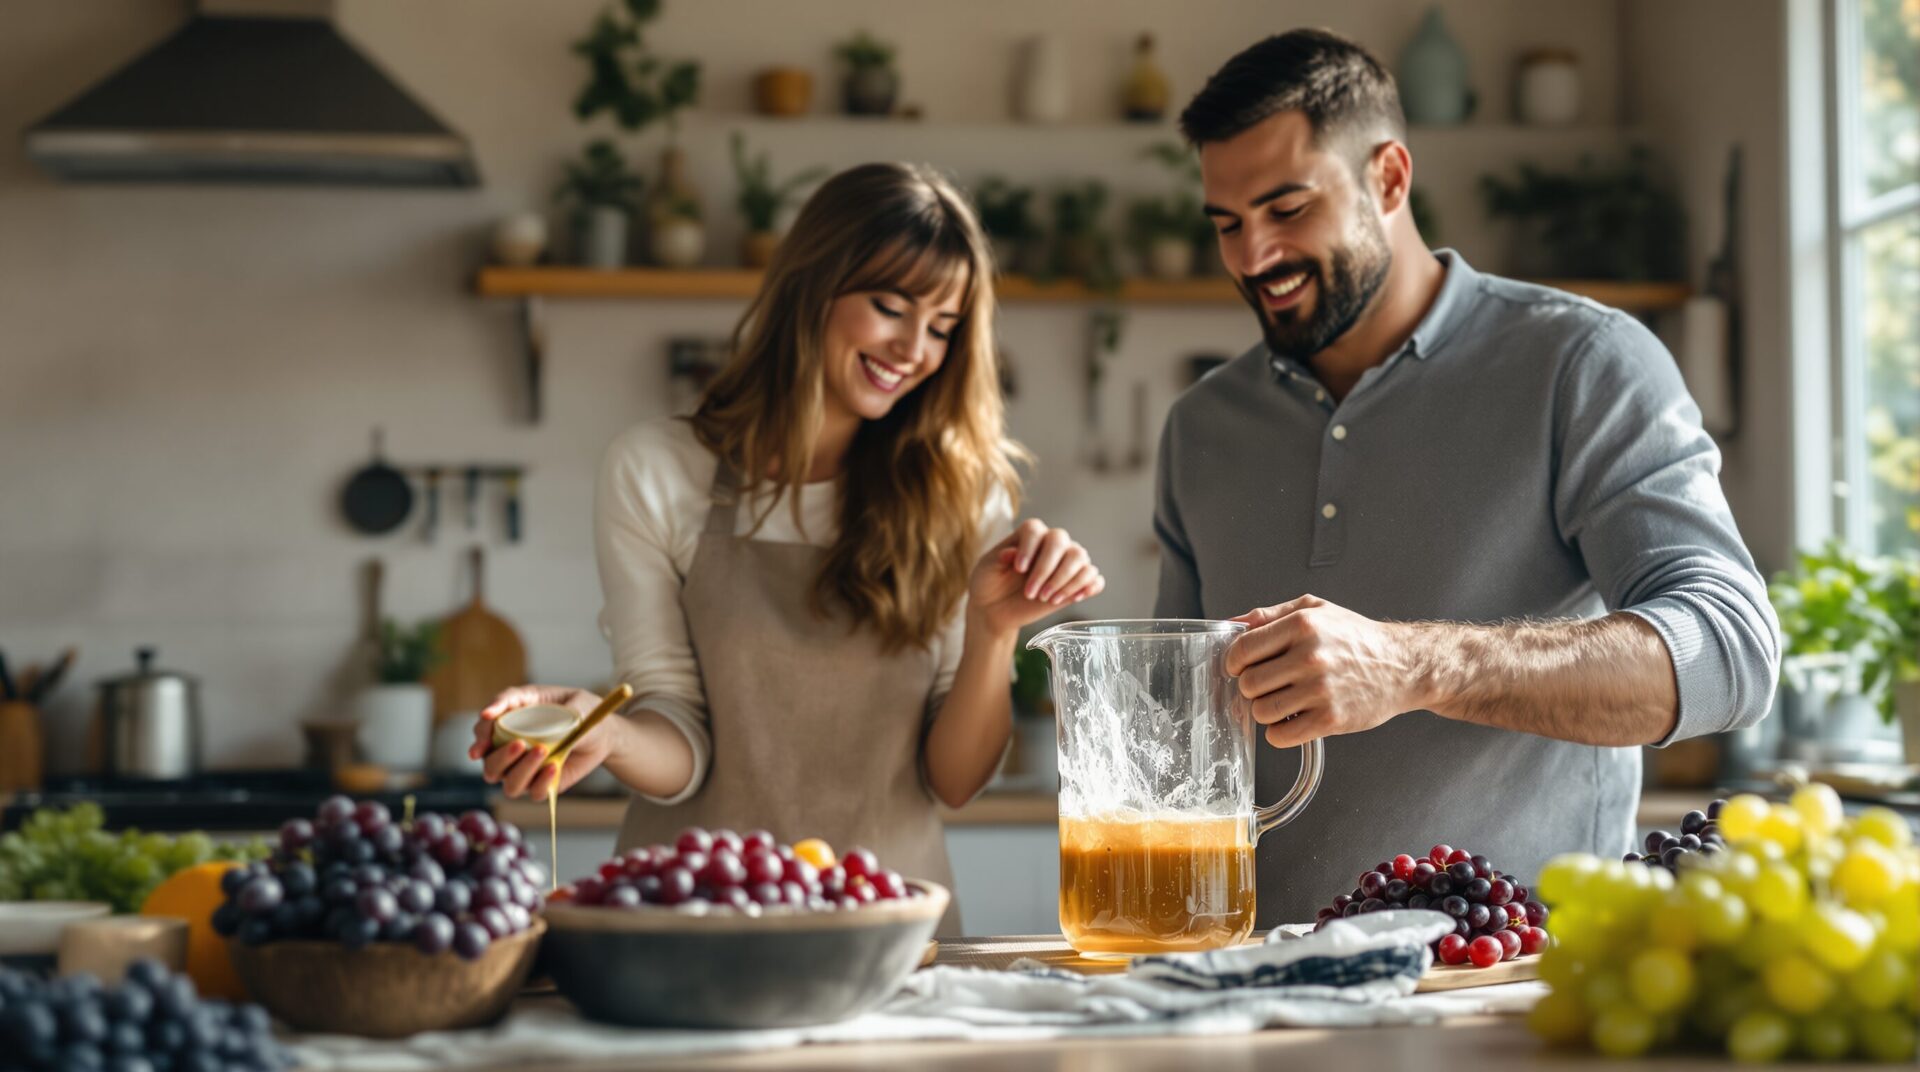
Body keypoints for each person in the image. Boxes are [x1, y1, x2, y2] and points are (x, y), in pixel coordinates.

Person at [1155, 29, 1780, 926]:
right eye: (1226, 223)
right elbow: (1178, 738)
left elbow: (1732, 652)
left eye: (1287, 209)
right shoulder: (1201, 428)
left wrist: (1413, 665)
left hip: (1513, 991)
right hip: (1260, 997)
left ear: (1390, 179)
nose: (1253, 256)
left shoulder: (1584, 363)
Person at [474, 163, 1104, 933]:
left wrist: (995, 632)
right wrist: (607, 735)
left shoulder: (963, 494)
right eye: (890, 307)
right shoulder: (658, 470)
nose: (914, 348)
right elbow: (681, 736)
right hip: (688, 925)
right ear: (812, 286)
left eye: (943, 327)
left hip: (888, 938)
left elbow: (955, 780)